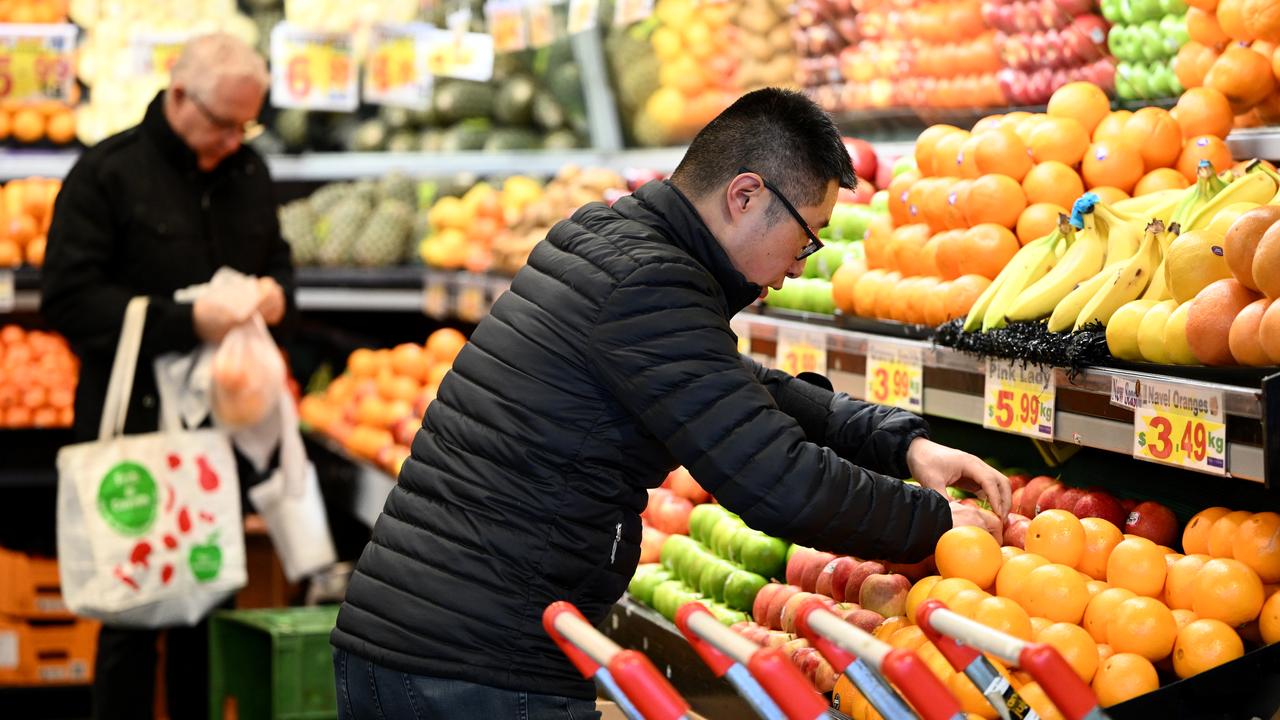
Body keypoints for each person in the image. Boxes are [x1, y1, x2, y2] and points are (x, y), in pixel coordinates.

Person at [330, 88, 1009, 719]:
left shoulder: (604, 237)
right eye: (807, 237)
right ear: (746, 195)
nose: (802, 265)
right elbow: (779, 482)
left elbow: (727, 387)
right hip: (473, 668)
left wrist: (900, 441)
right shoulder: (650, 280)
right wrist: (940, 523)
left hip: (428, 641)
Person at [41, 33, 295, 720]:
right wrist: (186, 322)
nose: (235, 141)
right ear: (179, 96)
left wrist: (275, 294)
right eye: (223, 124)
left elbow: (281, 263)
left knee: (209, 607)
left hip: (224, 428)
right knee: (131, 614)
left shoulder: (249, 173)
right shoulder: (107, 173)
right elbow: (66, 298)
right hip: (134, 425)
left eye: (248, 126)